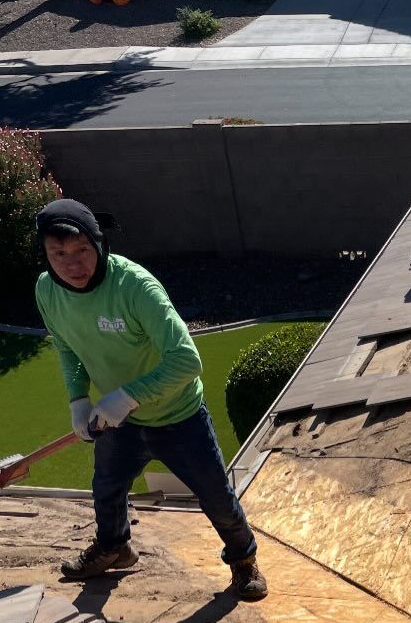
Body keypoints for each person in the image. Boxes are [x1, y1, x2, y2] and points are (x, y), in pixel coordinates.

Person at [34, 198, 267, 601]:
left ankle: (244, 561)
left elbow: (186, 359)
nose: (73, 264)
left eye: (82, 251)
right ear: (45, 254)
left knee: (215, 495)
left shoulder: (134, 287)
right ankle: (115, 548)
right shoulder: (47, 292)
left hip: (179, 417)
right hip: (119, 421)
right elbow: (68, 347)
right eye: (59, 254)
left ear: (98, 243)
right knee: (106, 488)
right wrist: (78, 397)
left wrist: (126, 397)